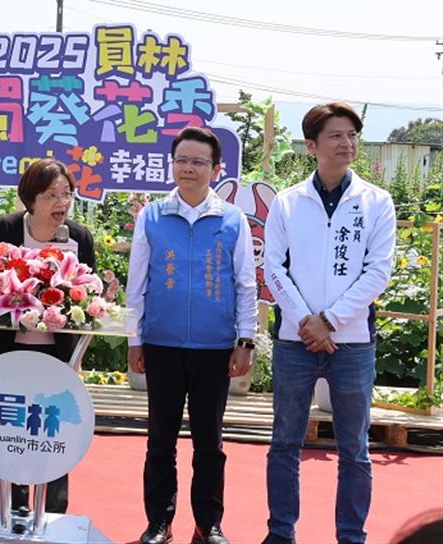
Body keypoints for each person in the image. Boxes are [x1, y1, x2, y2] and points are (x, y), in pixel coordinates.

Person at [262, 103, 396, 544]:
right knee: (285, 442)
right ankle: (281, 533)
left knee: (354, 448)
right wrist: (306, 321)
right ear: (312, 145)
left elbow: (378, 272)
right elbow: (274, 268)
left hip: (352, 342)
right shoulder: (287, 202)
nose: (347, 143)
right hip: (294, 340)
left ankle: (351, 536)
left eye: (352, 135)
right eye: (336, 135)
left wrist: (330, 321)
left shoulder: (377, 202)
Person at [126, 126, 258, 544]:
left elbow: (245, 284)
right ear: (172, 164)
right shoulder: (152, 216)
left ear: (216, 169)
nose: (189, 168)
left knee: (209, 442)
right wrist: (134, 339)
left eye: (199, 161)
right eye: (181, 159)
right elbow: (136, 284)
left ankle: (208, 524)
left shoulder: (232, 219)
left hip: (214, 347)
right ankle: (159, 523)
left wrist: (246, 340)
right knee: (160, 440)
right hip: (161, 344)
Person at [0, 157, 96, 515]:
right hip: (9, 353)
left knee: (53, 432)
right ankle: (11, 509)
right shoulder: (3, 231)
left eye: (67, 194)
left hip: (57, 356)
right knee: (12, 431)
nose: (61, 203)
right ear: (30, 198)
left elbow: (89, 291)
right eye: (51, 195)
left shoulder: (78, 237)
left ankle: (53, 513)